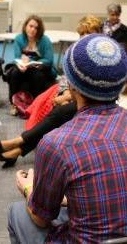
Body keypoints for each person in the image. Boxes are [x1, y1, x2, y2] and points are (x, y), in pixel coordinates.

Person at [7, 34, 127, 243]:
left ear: (71, 86)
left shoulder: (56, 143)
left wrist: (28, 188)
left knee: (18, 212)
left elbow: (40, 218)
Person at [0, 15, 102, 168]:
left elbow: (95, 87)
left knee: (59, 112)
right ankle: (18, 149)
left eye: (89, 34)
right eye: (82, 35)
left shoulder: (102, 57)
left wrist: (68, 96)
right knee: (52, 106)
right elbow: (67, 77)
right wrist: (62, 93)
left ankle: (19, 143)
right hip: (74, 94)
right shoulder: (76, 52)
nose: (85, 38)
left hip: (94, 100)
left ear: (98, 35)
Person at [5, 15, 57, 116]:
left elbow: (49, 60)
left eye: (36, 27)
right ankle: (14, 104)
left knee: (37, 75)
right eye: (31, 26)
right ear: (25, 26)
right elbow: (17, 57)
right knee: (14, 73)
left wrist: (32, 60)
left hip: (41, 68)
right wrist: (20, 64)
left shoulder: (44, 40)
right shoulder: (19, 39)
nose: (33, 29)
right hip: (25, 67)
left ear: (39, 29)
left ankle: (35, 105)